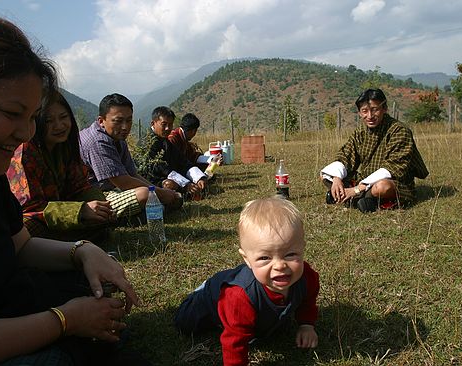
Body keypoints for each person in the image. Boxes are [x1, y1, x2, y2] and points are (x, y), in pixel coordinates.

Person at [0, 13, 148, 366]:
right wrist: (65, 320)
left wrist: (82, 251)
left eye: (31, 117)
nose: (26, 132)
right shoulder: (11, 158)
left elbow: (21, 246)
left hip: (5, 307)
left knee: (94, 292)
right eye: (12, 113)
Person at [174, 197, 320, 365]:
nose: (280, 265)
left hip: (242, 298)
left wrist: (306, 325)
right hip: (209, 300)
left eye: (291, 254)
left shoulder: (306, 277)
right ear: (247, 259)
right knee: (185, 325)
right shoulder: (238, 296)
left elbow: (308, 301)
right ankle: (203, 289)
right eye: (265, 257)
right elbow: (234, 343)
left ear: (302, 248)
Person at [7, 90, 116, 242]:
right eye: (48, 121)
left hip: (62, 214)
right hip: (34, 218)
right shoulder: (26, 152)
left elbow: (81, 186)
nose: (59, 126)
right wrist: (79, 211)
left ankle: (62, 242)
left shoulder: (66, 146)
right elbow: (31, 208)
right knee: (28, 229)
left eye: (63, 117)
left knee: (100, 218)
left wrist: (101, 207)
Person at [320, 88, 429, 212]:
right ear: (360, 113)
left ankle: (354, 197)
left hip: (394, 182)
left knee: (382, 187)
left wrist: (357, 189)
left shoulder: (399, 131)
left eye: (375, 110)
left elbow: (393, 169)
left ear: (384, 108)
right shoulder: (360, 132)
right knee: (327, 174)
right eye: (365, 111)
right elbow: (346, 155)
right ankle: (360, 198)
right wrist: (337, 179)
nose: (370, 116)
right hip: (365, 179)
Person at [79, 94, 181, 220]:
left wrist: (158, 192)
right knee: (144, 194)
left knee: (150, 194)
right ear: (101, 121)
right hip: (92, 196)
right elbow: (122, 181)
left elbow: (132, 174)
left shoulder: (117, 137)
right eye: (118, 121)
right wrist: (160, 194)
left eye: (129, 120)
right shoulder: (97, 141)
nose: (125, 127)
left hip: (112, 188)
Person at [146, 106, 207, 197]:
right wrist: (186, 185)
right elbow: (162, 169)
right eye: (164, 124)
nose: (167, 128)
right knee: (169, 184)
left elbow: (182, 160)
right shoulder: (147, 143)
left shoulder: (165, 140)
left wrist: (199, 178)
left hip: (171, 174)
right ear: (153, 123)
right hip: (152, 181)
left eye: (170, 125)